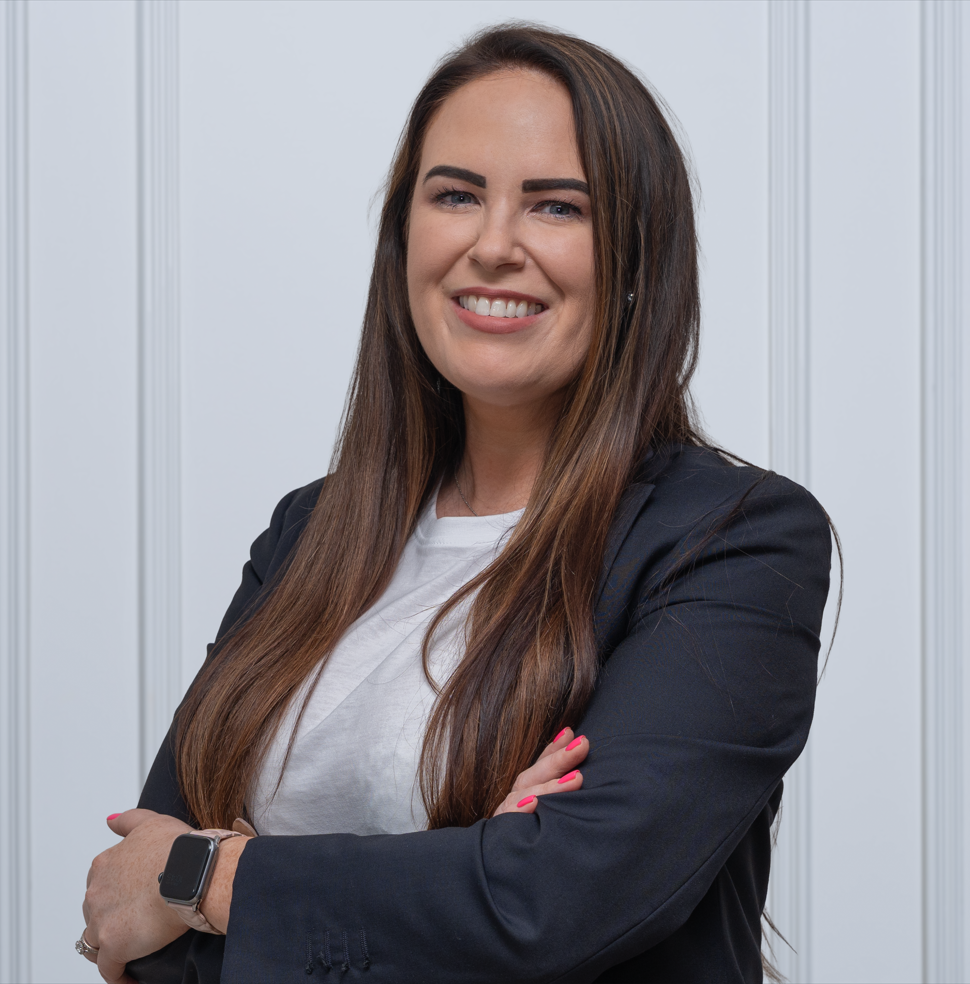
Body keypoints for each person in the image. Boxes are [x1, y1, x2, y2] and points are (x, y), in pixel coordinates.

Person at [79, 23, 833, 984]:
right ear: (404, 237)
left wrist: (210, 875)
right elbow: (138, 927)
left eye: (557, 206)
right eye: (456, 195)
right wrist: (468, 861)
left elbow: (556, 902)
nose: (493, 244)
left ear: (638, 260)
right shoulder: (308, 533)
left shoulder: (733, 542)